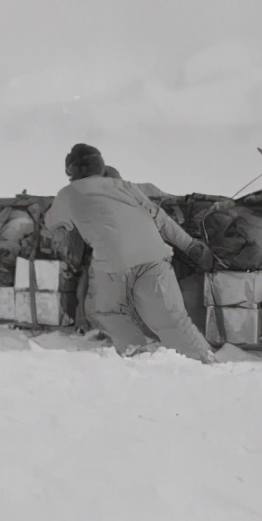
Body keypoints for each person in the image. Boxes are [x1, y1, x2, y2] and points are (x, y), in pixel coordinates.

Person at [44, 143, 218, 363]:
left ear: (71, 171)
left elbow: (51, 224)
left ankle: (137, 353)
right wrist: (191, 245)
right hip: (155, 256)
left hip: (114, 262)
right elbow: (160, 218)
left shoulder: (68, 193)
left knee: (106, 311)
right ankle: (207, 360)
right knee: (173, 319)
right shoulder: (125, 186)